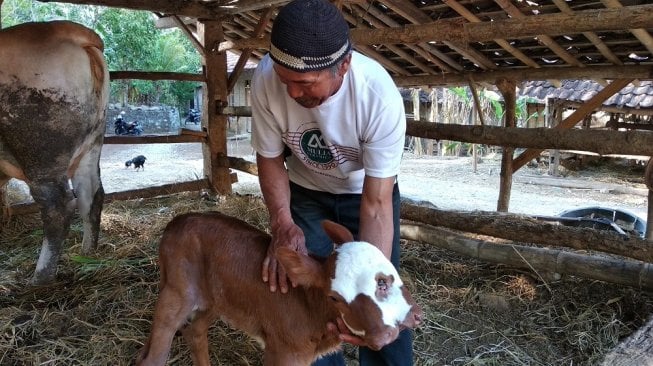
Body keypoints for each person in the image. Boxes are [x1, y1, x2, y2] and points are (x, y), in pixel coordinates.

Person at [250, 0, 411, 365]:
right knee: (310, 300)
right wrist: (282, 224)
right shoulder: (264, 79)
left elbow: (376, 203)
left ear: (344, 66)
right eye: (284, 80)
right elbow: (270, 157)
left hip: (365, 197)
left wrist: (369, 277)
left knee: (380, 297)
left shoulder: (377, 96)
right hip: (306, 193)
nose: (292, 93)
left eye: (305, 83)